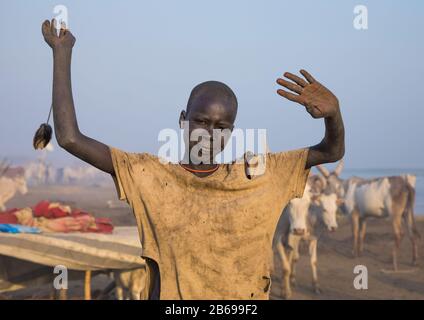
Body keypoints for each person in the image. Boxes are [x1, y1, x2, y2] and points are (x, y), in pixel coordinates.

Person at [41, 19, 344, 300]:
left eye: (221, 127)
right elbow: (70, 138)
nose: (209, 134)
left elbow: (331, 152)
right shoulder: (149, 175)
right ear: (183, 120)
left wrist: (333, 115)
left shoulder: (261, 176)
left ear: (231, 132)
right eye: (201, 121)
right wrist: (61, 54)